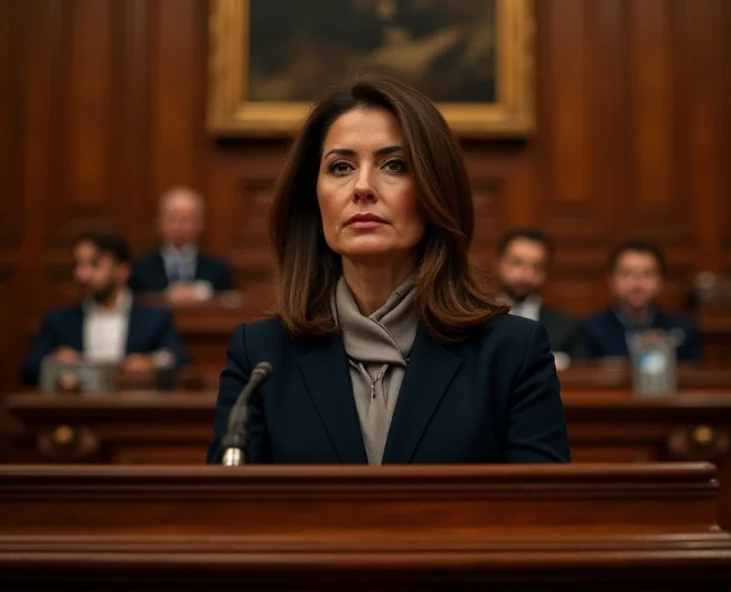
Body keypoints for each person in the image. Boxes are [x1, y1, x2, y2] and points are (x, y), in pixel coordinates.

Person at [207, 75, 569, 465]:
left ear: (435, 191)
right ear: (313, 200)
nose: (362, 187)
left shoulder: (512, 352)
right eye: (341, 167)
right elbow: (233, 518)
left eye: (394, 164)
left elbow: (541, 516)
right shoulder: (261, 357)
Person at [20, 230, 189, 386]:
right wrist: (54, 361)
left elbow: (180, 360)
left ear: (123, 270)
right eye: (78, 264)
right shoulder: (59, 320)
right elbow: (29, 370)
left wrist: (151, 362)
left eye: (94, 264)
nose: (82, 275)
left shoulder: (154, 318)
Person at [583, 240, 703, 362]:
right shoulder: (590, 330)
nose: (637, 284)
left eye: (647, 274)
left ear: (661, 281)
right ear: (611, 280)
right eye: (627, 274)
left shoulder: (683, 330)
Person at [497, 229, 585, 367]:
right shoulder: (476, 321)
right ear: (498, 263)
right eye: (517, 263)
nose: (525, 275)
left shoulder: (567, 327)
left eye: (536, 266)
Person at [128, 187, 234, 302]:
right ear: (160, 221)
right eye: (173, 217)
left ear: (200, 223)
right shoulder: (140, 268)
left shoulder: (218, 268)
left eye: (186, 218)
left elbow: (228, 302)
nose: (179, 225)